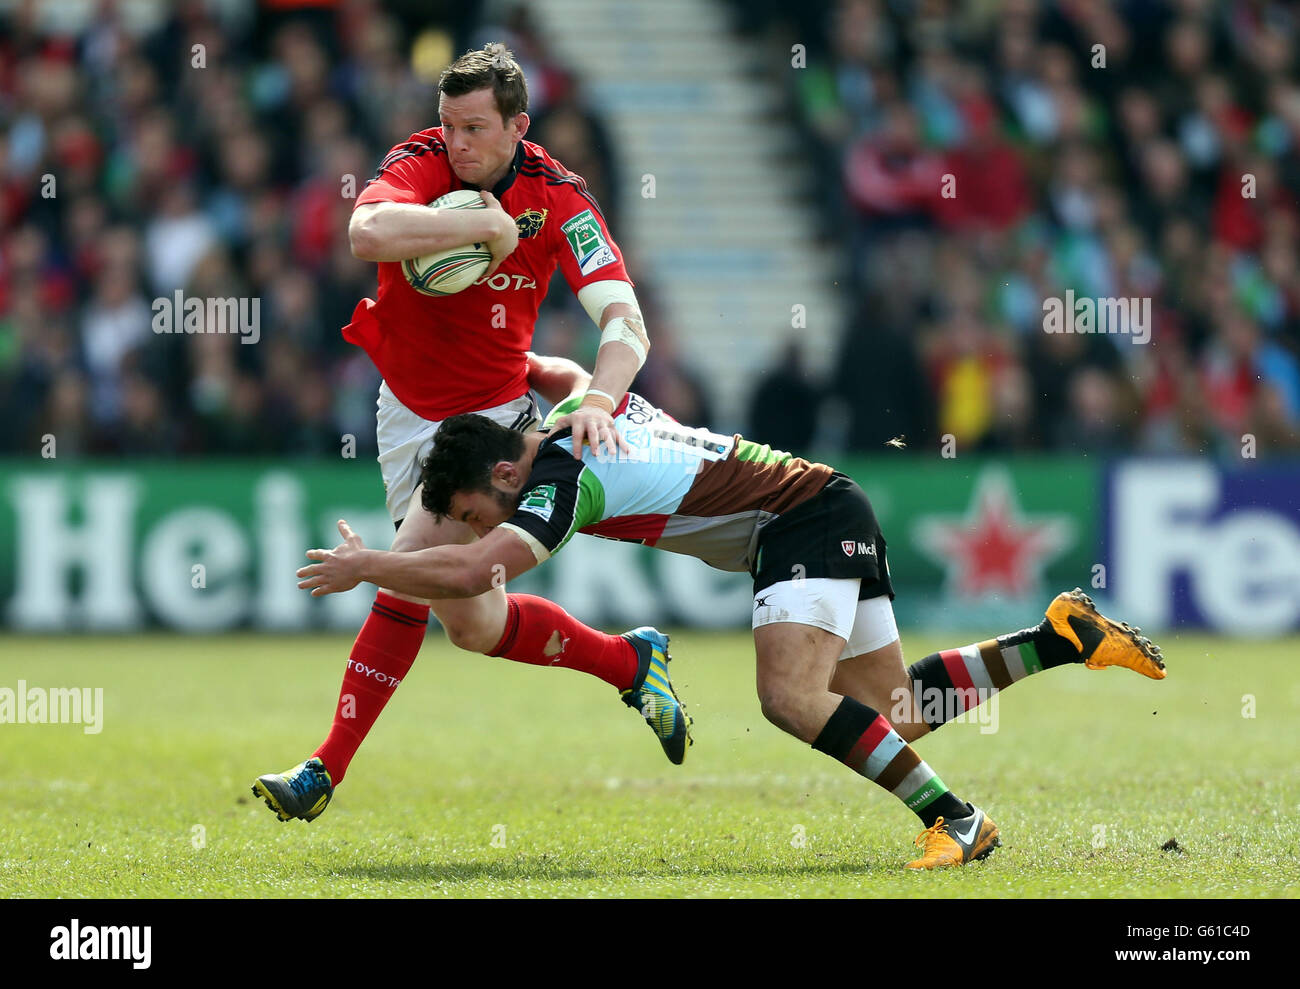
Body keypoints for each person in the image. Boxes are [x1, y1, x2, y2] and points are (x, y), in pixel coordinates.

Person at [295, 355, 1167, 869]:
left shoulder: (560, 481)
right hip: (826, 500)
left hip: (799, 520)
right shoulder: (574, 410)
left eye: (480, 509)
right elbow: (558, 369)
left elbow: (482, 569)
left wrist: (371, 564)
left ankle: (957, 821)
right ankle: (1060, 639)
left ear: (503, 478)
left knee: (789, 697)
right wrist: (495, 360)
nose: (486, 528)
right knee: (893, 711)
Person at [252, 44, 691, 825]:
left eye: (476, 128)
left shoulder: (560, 199)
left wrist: (600, 397)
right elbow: (366, 233)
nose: (458, 143)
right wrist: (478, 224)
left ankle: (323, 769)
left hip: (494, 419)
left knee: (410, 571)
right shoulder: (421, 160)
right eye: (450, 124)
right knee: (475, 625)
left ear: (519, 125)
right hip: (405, 413)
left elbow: (625, 319)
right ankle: (630, 660)